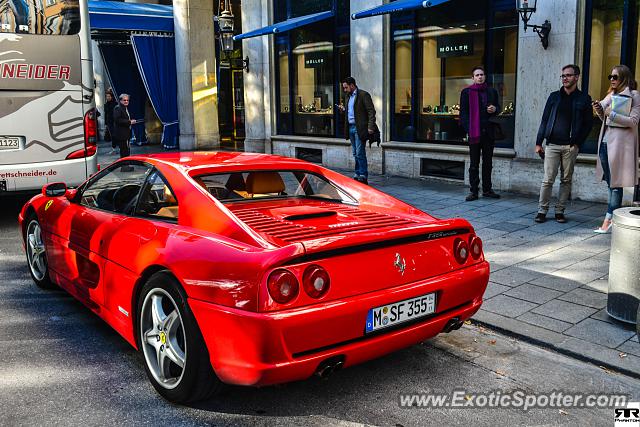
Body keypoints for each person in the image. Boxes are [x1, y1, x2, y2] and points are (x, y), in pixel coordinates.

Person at [534, 64, 593, 223]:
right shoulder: (554, 96)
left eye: (568, 75)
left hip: (570, 146)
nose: (565, 78)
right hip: (552, 144)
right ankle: (542, 210)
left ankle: (560, 211)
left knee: (566, 180)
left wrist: (578, 144)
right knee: (548, 180)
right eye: (563, 76)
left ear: (576, 77)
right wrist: (539, 142)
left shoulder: (584, 99)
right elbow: (545, 119)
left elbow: (588, 124)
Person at [592, 64, 640, 233]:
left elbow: (634, 121)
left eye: (615, 77)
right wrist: (599, 109)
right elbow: (604, 118)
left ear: (624, 78)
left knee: (615, 184)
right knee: (611, 184)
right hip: (605, 144)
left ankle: (608, 221)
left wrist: (611, 113)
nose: (612, 80)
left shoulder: (634, 95)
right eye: (610, 77)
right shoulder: (610, 95)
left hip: (620, 147)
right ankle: (612, 218)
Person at [459, 66, 501, 201]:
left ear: (485, 76)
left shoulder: (492, 91)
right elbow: (463, 114)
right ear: (473, 78)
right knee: (474, 164)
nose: (480, 77)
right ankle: (474, 191)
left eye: (482, 74)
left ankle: (487, 190)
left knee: (488, 163)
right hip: (474, 133)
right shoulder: (466, 92)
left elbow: (498, 108)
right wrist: (469, 129)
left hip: (489, 133)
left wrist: (495, 109)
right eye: (477, 75)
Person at [340, 77, 379, 185]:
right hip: (350, 127)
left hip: (359, 128)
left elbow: (371, 111)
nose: (344, 90)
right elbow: (351, 112)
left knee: (359, 152)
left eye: (346, 87)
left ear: (352, 85)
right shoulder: (347, 97)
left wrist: (370, 126)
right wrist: (344, 110)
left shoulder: (363, 95)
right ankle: (357, 173)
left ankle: (363, 175)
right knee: (355, 152)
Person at [112, 94, 136, 158]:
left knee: (127, 151)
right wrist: (129, 122)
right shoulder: (118, 108)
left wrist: (130, 121)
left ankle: (126, 166)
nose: (126, 101)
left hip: (126, 134)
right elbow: (117, 119)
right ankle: (125, 167)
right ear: (120, 101)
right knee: (124, 152)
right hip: (122, 135)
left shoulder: (124, 108)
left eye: (127, 100)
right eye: (124, 100)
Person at [104, 90, 117, 154]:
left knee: (116, 135)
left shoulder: (115, 104)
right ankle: (114, 149)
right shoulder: (106, 105)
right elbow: (106, 114)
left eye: (109, 96)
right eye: (107, 96)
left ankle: (117, 148)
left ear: (112, 97)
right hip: (109, 123)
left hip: (115, 122)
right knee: (112, 136)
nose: (108, 97)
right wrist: (106, 123)